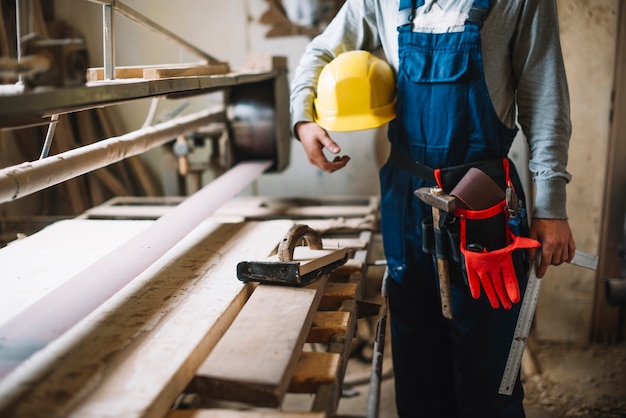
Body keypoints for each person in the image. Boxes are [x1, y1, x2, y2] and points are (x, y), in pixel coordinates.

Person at [290, 0, 577, 416]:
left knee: (489, 365)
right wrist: (303, 118)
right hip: (406, 196)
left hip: (483, 201)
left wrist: (552, 207)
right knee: (416, 356)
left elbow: (545, 96)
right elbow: (321, 49)